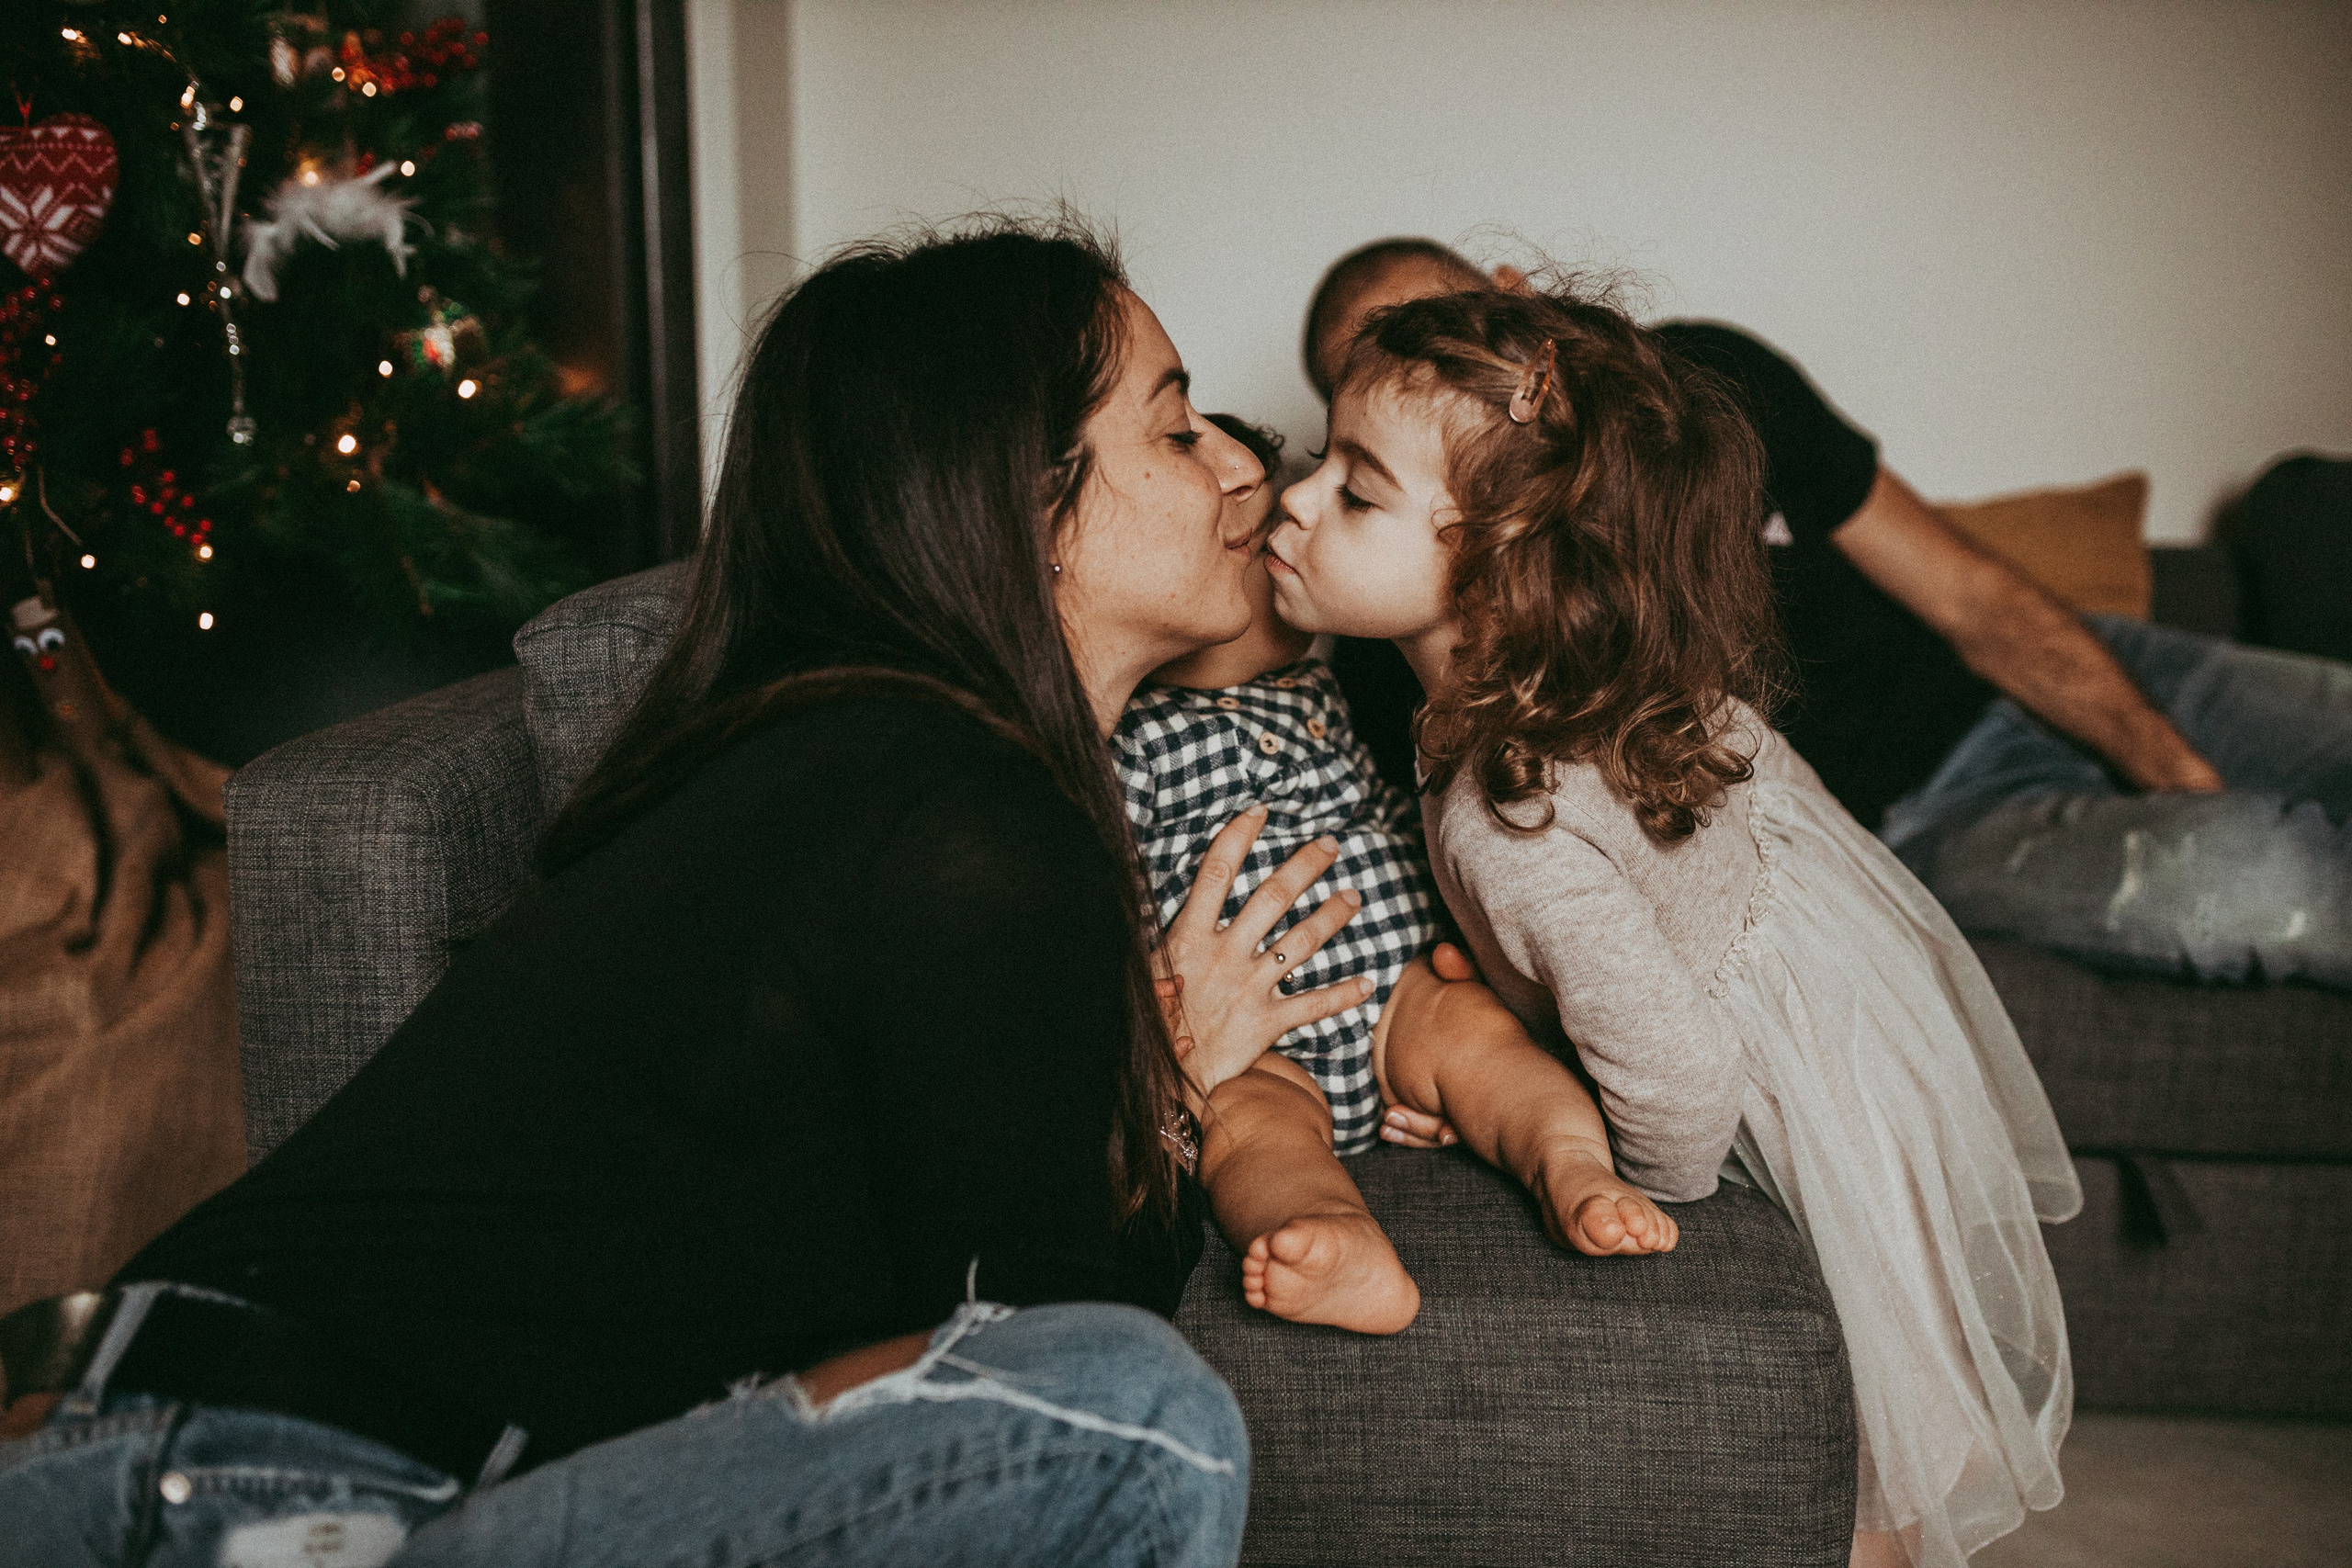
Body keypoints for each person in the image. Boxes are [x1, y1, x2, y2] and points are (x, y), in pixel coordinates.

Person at [0, 221, 1355, 1567]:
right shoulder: (958, 803)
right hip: (256, 1479)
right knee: (1136, 1413)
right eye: (1179, 431)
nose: (1249, 465)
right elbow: (1036, 1350)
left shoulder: (825, 759)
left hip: (162, 1443)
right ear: (1027, 501)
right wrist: (1180, 1091)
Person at [1272, 281, 2081, 1568]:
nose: (1294, 500)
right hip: (1849, 1000)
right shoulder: (1605, 672)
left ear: (1504, 557)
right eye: (1319, 460)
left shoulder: (1510, 815)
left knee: (1859, 1471)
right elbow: (1779, 804)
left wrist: (1600, 1149)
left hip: (1789, 1073)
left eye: (1354, 490)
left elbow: (1686, 1090)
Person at [1304, 239, 2352, 990]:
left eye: (1457, 355)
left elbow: (1968, 595)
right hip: (1917, 823)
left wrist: (2166, 763)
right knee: (2259, 879)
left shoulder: (1709, 387)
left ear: (1519, 305)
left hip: (2036, 672)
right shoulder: (1407, 628)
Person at [1114, 414, 1675, 1336]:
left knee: (1485, 1046)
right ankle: (1330, 1236)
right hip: (1252, 1047)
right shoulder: (1130, 733)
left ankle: (1569, 1164)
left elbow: (1391, 824)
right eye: (1251, 546)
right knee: (1252, 1141)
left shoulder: (1326, 695)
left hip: (1397, 994)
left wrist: (1457, 949)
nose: (1284, 552)